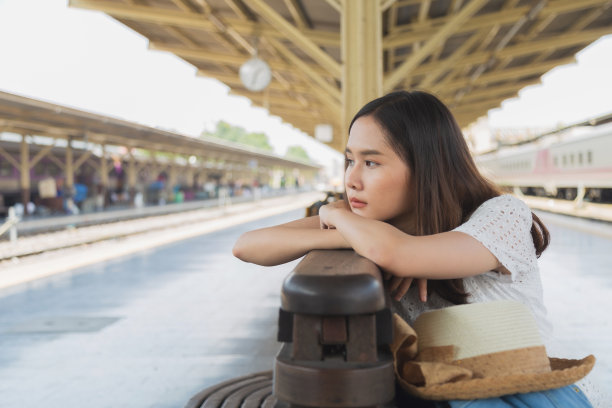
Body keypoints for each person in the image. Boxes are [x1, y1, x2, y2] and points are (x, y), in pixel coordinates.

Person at [232, 91, 595, 407]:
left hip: (525, 397)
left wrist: (357, 232)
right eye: (349, 160)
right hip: (441, 397)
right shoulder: (368, 226)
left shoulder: (503, 215)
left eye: (371, 162)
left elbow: (397, 254)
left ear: (426, 167)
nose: (352, 179)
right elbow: (248, 246)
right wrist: (339, 223)